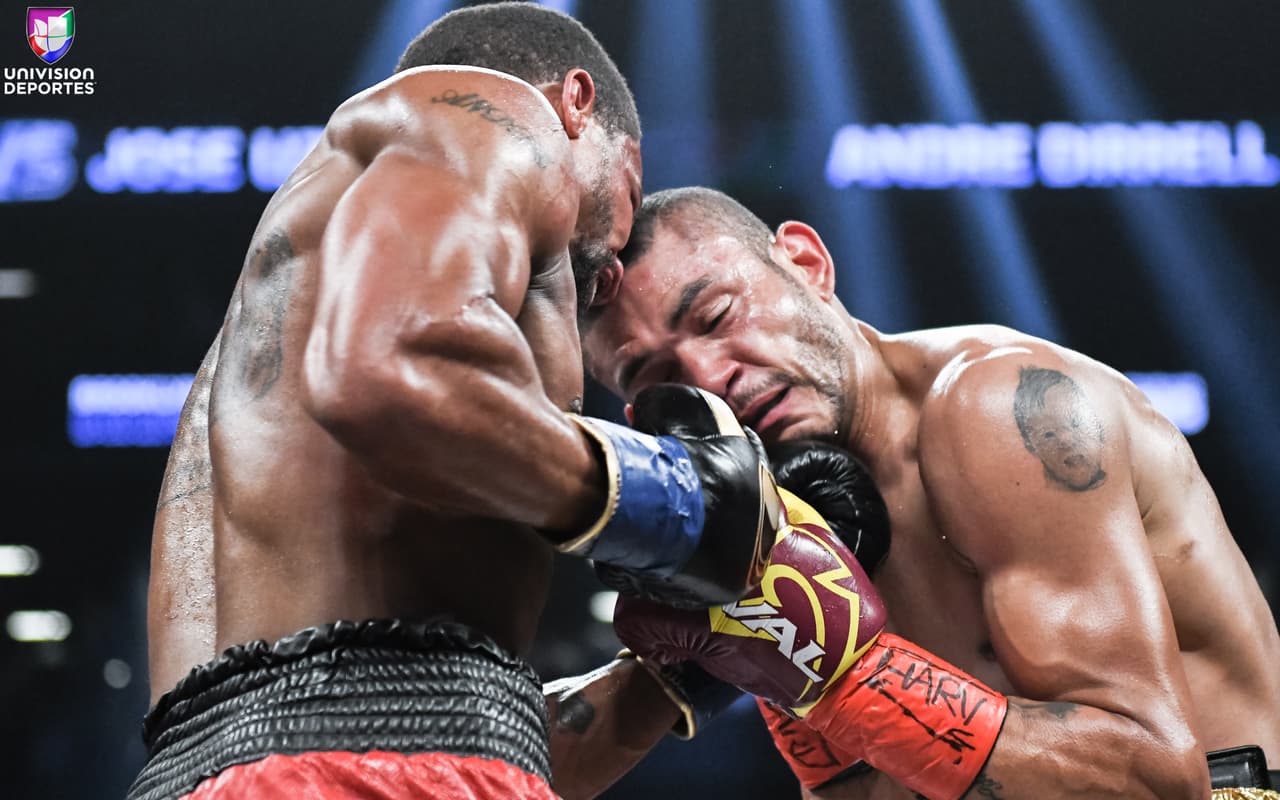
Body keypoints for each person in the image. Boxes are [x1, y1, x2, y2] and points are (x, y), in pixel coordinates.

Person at [128, 6, 798, 798]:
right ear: (576, 104)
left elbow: (420, 728)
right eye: (628, 191)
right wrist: (673, 503)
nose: (610, 272)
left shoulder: (258, 374)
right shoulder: (481, 113)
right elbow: (388, 367)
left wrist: (677, 676)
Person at [580, 186, 1280, 799]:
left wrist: (844, 677)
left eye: (717, 316)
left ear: (807, 263)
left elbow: (1153, 781)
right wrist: (794, 699)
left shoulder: (1001, 408)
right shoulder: (779, 518)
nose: (709, 374)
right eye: (658, 375)